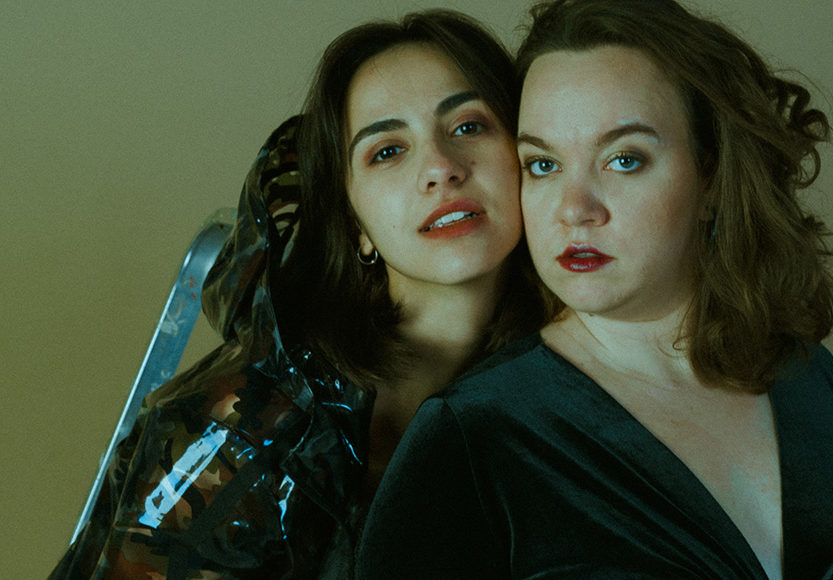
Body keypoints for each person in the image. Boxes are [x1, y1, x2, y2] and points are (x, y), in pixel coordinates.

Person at [356, 0, 833, 578]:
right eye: (542, 165)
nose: (574, 209)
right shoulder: (471, 437)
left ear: (712, 179)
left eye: (623, 160)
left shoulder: (807, 375)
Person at [51, 9, 544, 579]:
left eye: (468, 126)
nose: (441, 168)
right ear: (355, 224)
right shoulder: (241, 429)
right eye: (386, 150)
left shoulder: (570, 374)